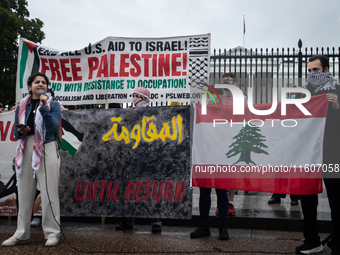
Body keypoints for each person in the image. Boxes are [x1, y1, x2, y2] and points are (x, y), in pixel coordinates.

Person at [2, 72, 62, 247]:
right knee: (24, 191)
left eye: (43, 82)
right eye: (37, 82)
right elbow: (14, 133)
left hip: (47, 146)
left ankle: (52, 232)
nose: (40, 84)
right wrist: (21, 131)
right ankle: (22, 233)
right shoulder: (22, 106)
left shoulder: (53, 105)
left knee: (49, 191)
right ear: (30, 87)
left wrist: (44, 107)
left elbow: (52, 126)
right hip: (26, 146)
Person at [295, 55, 340, 255]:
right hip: (309, 153)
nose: (312, 73)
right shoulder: (305, 92)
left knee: (336, 197)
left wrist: (338, 106)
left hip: (332, 153)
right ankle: (312, 240)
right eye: (310, 70)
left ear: (327, 69)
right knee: (307, 197)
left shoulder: (337, 89)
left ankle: (339, 243)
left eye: (316, 69)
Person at [115, 87, 162, 233]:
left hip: (149, 156)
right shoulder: (128, 113)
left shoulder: (154, 114)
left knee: (150, 189)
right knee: (129, 189)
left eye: (137, 95)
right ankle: (127, 221)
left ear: (145, 97)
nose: (134, 98)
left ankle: (156, 222)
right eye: (133, 95)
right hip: (131, 156)